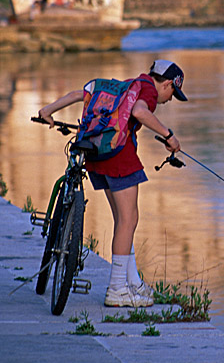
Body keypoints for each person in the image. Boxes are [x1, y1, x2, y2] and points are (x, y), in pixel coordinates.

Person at [38, 59, 187, 308]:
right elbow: (140, 112)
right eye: (174, 92)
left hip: (96, 156)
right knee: (128, 221)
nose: (171, 98)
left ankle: (132, 282)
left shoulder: (127, 84)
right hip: (119, 156)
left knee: (124, 221)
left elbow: (80, 93)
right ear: (168, 84)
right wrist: (169, 136)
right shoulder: (148, 91)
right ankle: (117, 288)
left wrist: (48, 110)